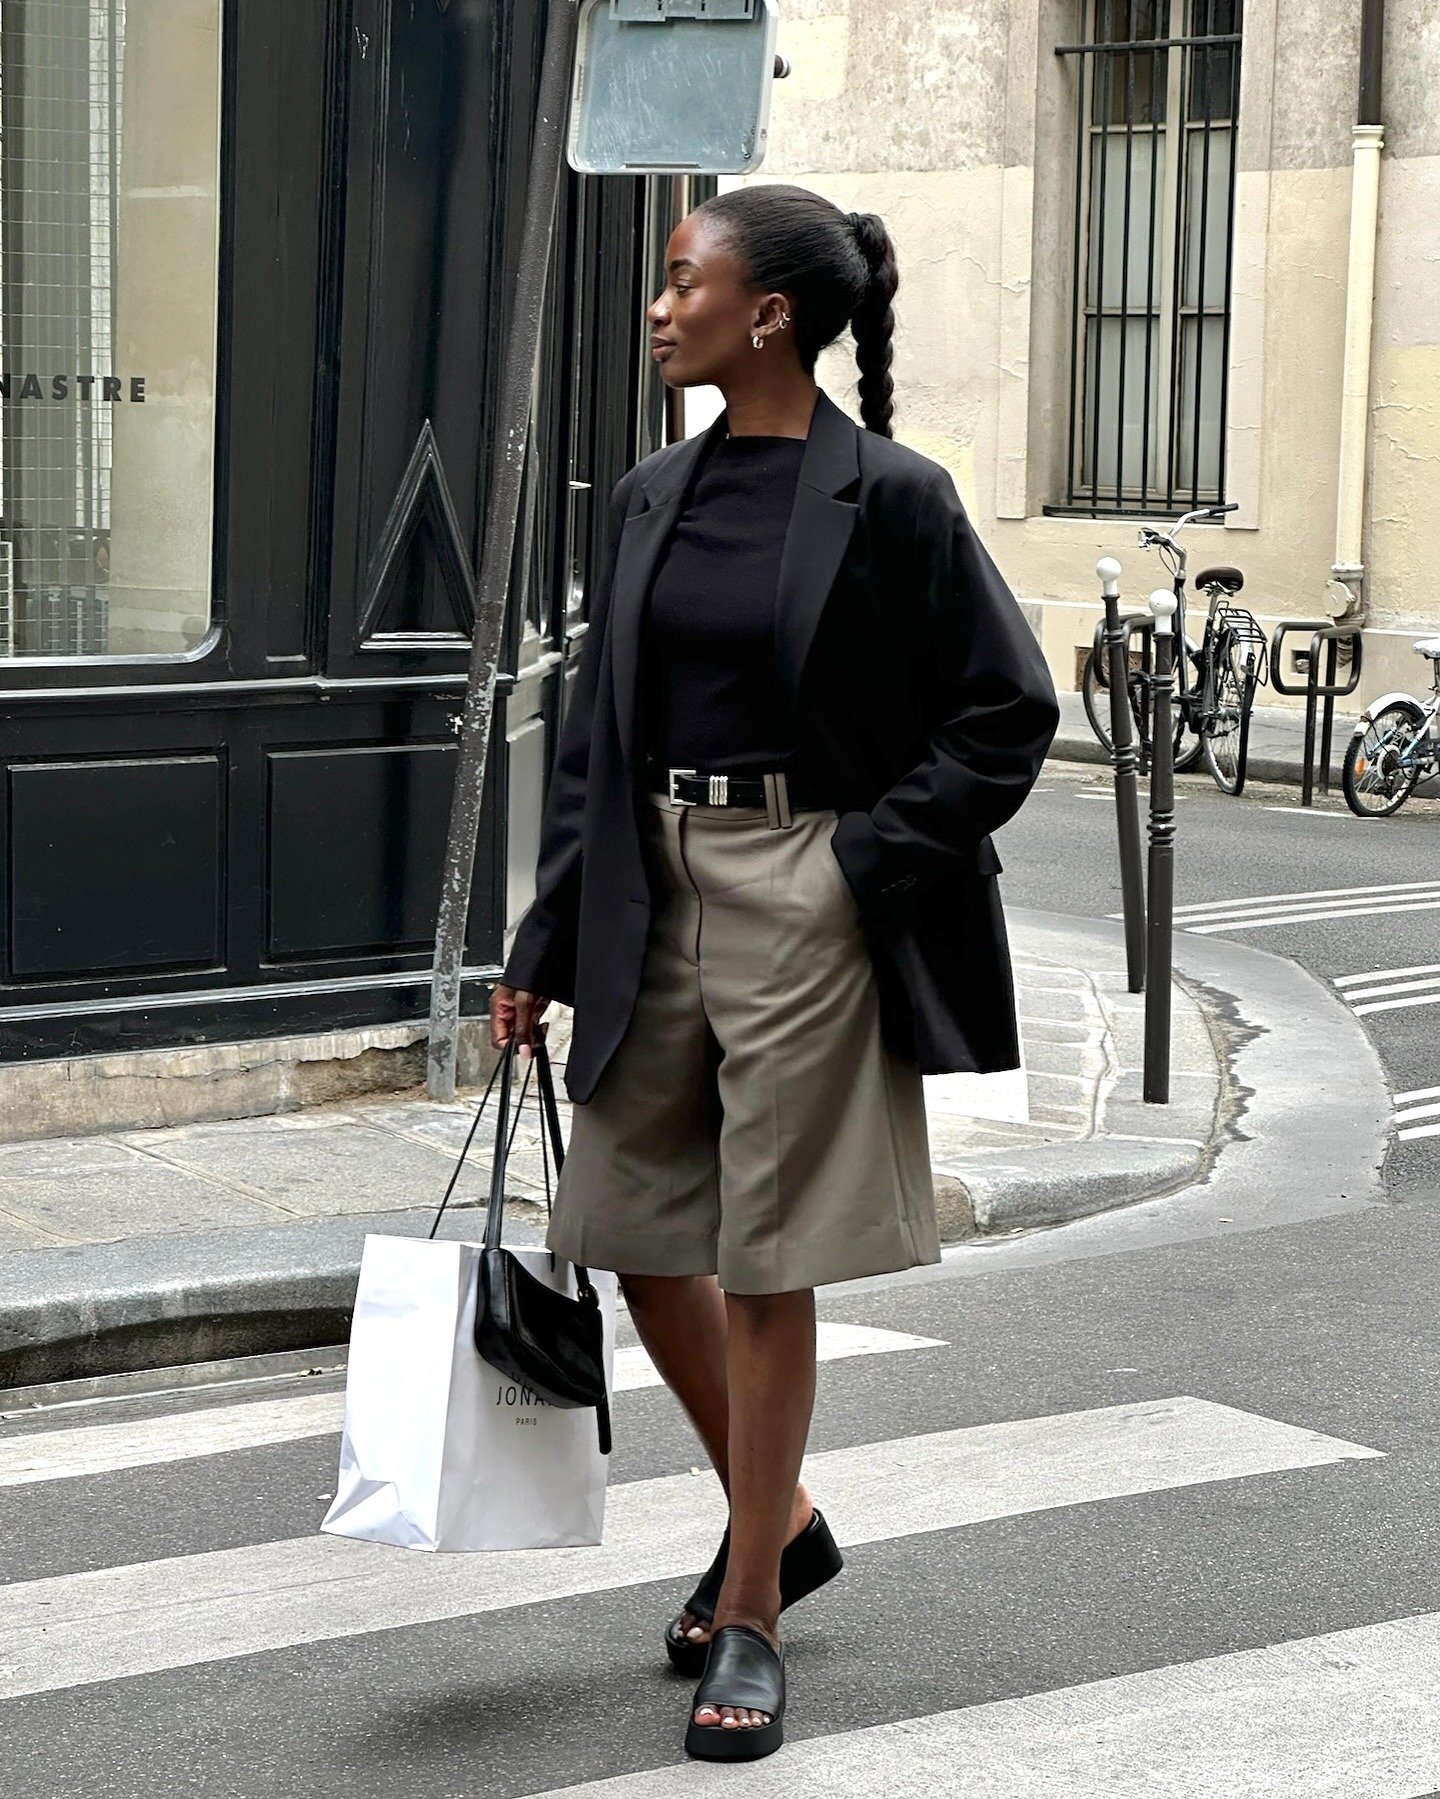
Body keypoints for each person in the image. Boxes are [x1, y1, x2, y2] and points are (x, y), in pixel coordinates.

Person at [489, 183, 1059, 1763]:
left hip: (800, 884)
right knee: (623, 1228)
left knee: (762, 1255)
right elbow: (601, 735)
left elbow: (1006, 711)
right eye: (662, 286)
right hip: (649, 884)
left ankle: (750, 1609)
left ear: (772, 319)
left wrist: (861, 866)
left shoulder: (894, 497)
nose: (660, 310)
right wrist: (543, 942)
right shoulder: (654, 492)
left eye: (686, 286)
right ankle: (786, 1514)